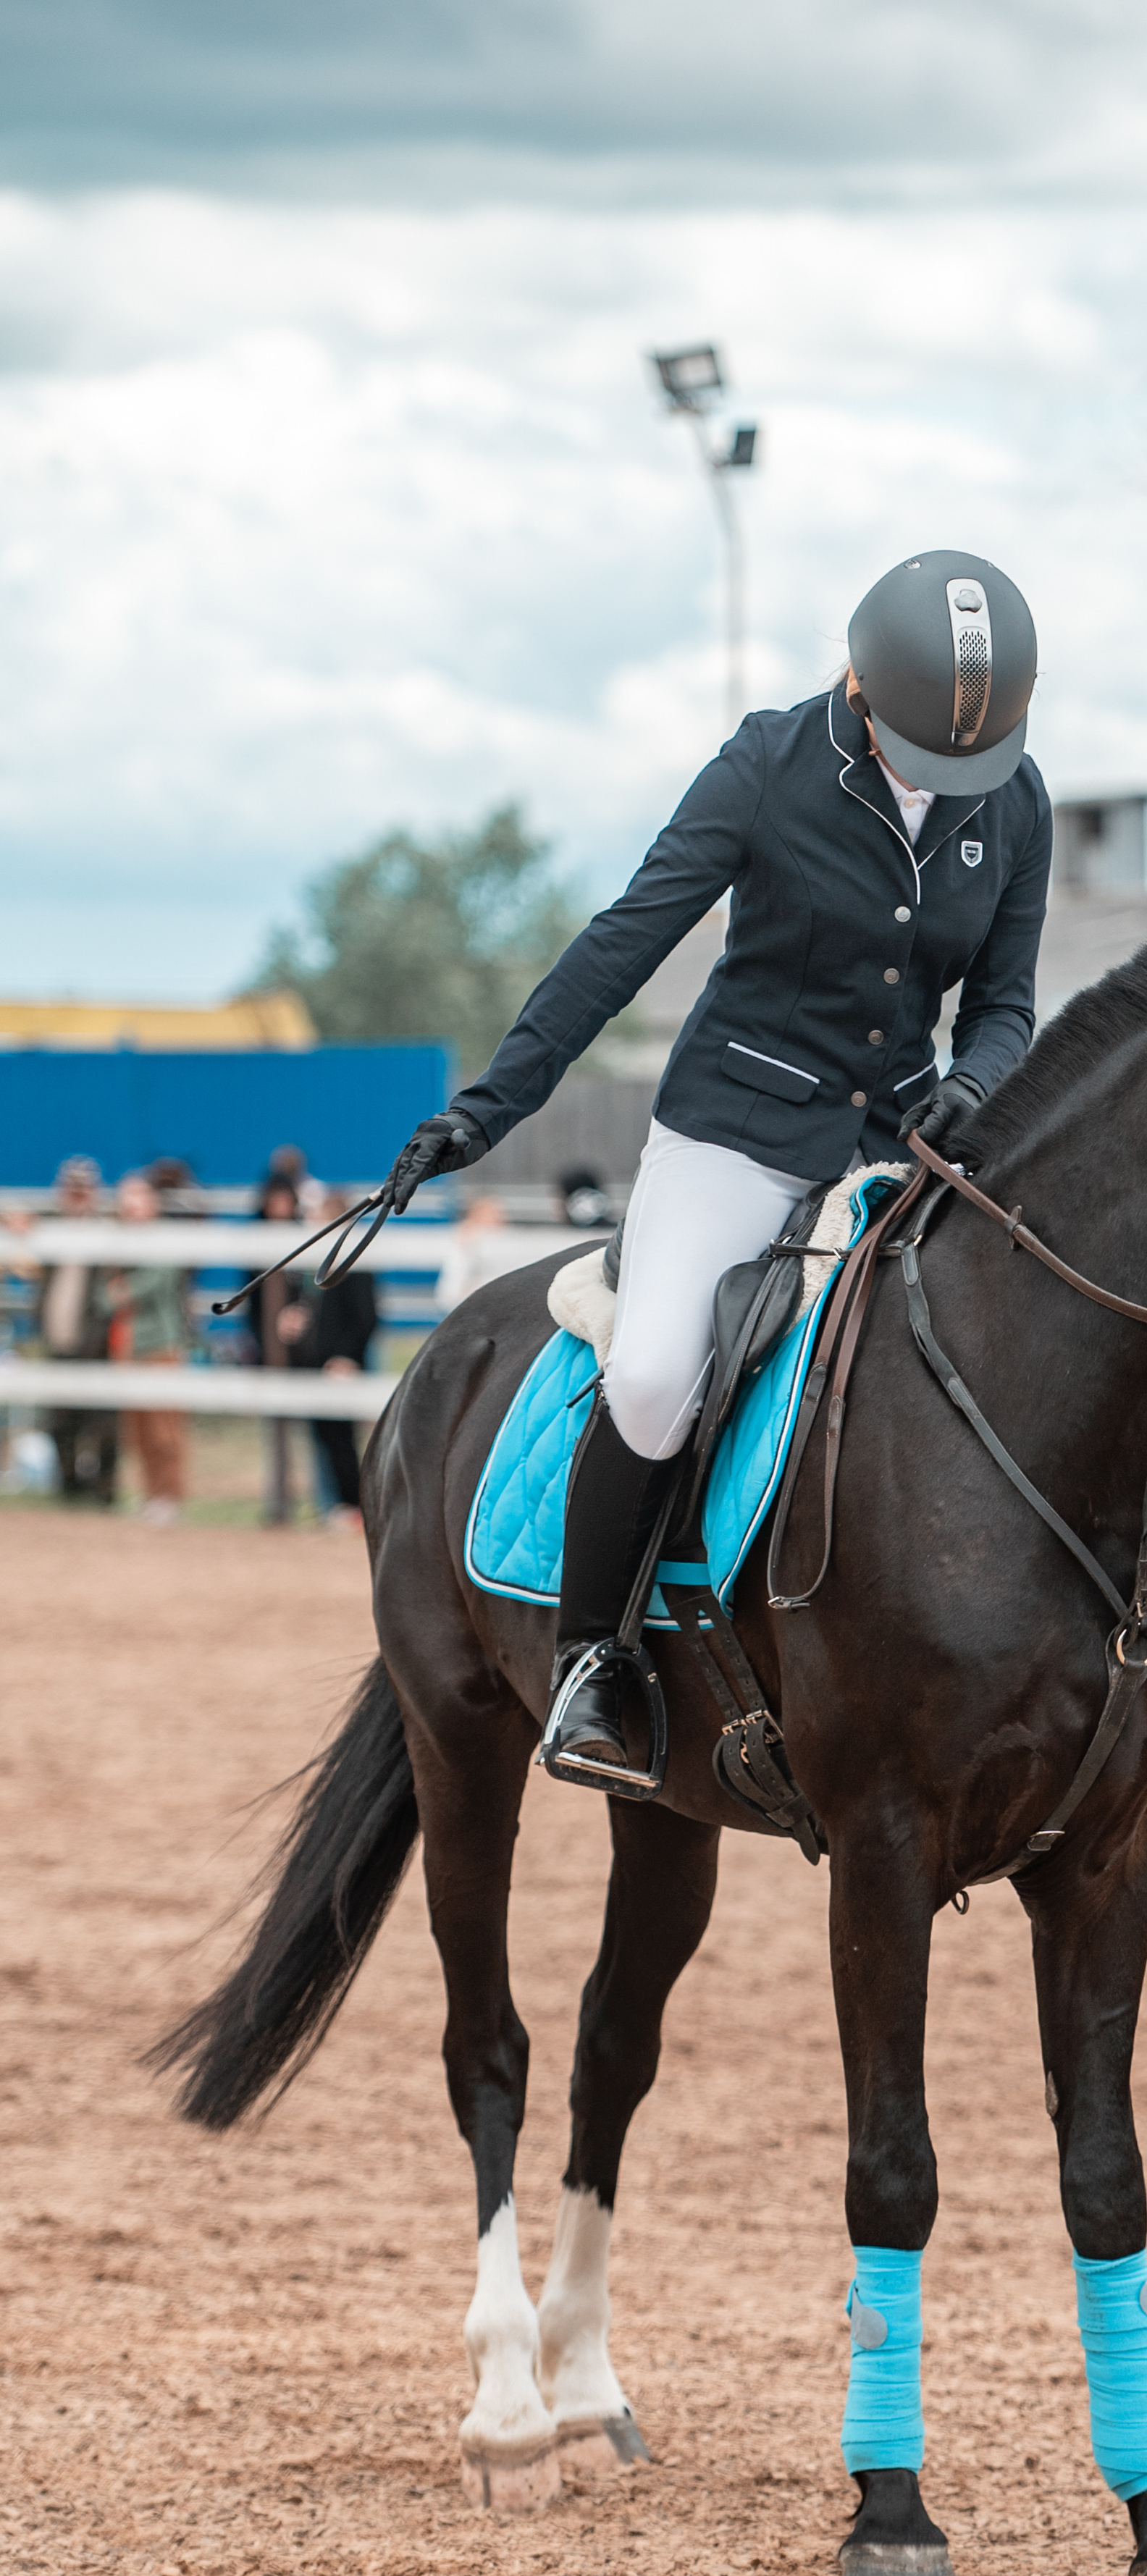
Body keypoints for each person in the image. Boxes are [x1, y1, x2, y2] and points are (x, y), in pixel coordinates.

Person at [383, 550, 1051, 1790]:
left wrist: (978, 1083)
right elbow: (625, 940)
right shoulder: (766, 763)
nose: (940, 779)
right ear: (860, 686)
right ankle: (597, 1658)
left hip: (897, 1142)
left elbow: (1005, 1003)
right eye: (917, 747)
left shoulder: (1013, 800)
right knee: (648, 1376)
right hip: (734, 1130)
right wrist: (491, 1107)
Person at [277, 1188, 379, 1530]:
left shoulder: (354, 1259)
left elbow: (366, 1316)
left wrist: (347, 1357)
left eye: (317, 1214)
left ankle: (354, 1507)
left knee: (342, 1439)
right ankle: (333, 1506)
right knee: (321, 1436)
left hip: (339, 1364)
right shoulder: (308, 1263)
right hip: (309, 1361)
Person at [31, 1156, 118, 1504]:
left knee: (102, 1421)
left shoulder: (108, 1229)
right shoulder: (50, 1226)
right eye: (72, 1186)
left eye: (84, 1187)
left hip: (96, 1338)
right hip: (58, 1334)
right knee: (59, 1420)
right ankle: (68, 1486)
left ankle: (103, 1489)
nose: (77, 1193)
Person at [108, 1171, 193, 1522]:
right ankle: (149, 1494)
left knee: (164, 1426)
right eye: (126, 1197)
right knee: (136, 1428)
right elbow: (102, 1292)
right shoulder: (116, 1241)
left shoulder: (165, 1239)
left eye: (138, 1196)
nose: (132, 1204)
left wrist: (122, 1290)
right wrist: (118, 1291)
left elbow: (158, 1279)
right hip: (126, 1344)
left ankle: (170, 1495)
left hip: (161, 1343)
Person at [247, 1172, 304, 1527]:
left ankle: (323, 1504)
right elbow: (249, 1301)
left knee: (315, 1433)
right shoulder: (255, 1243)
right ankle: (279, 1503)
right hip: (268, 1351)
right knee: (275, 1435)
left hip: (302, 1353)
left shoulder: (306, 1236)